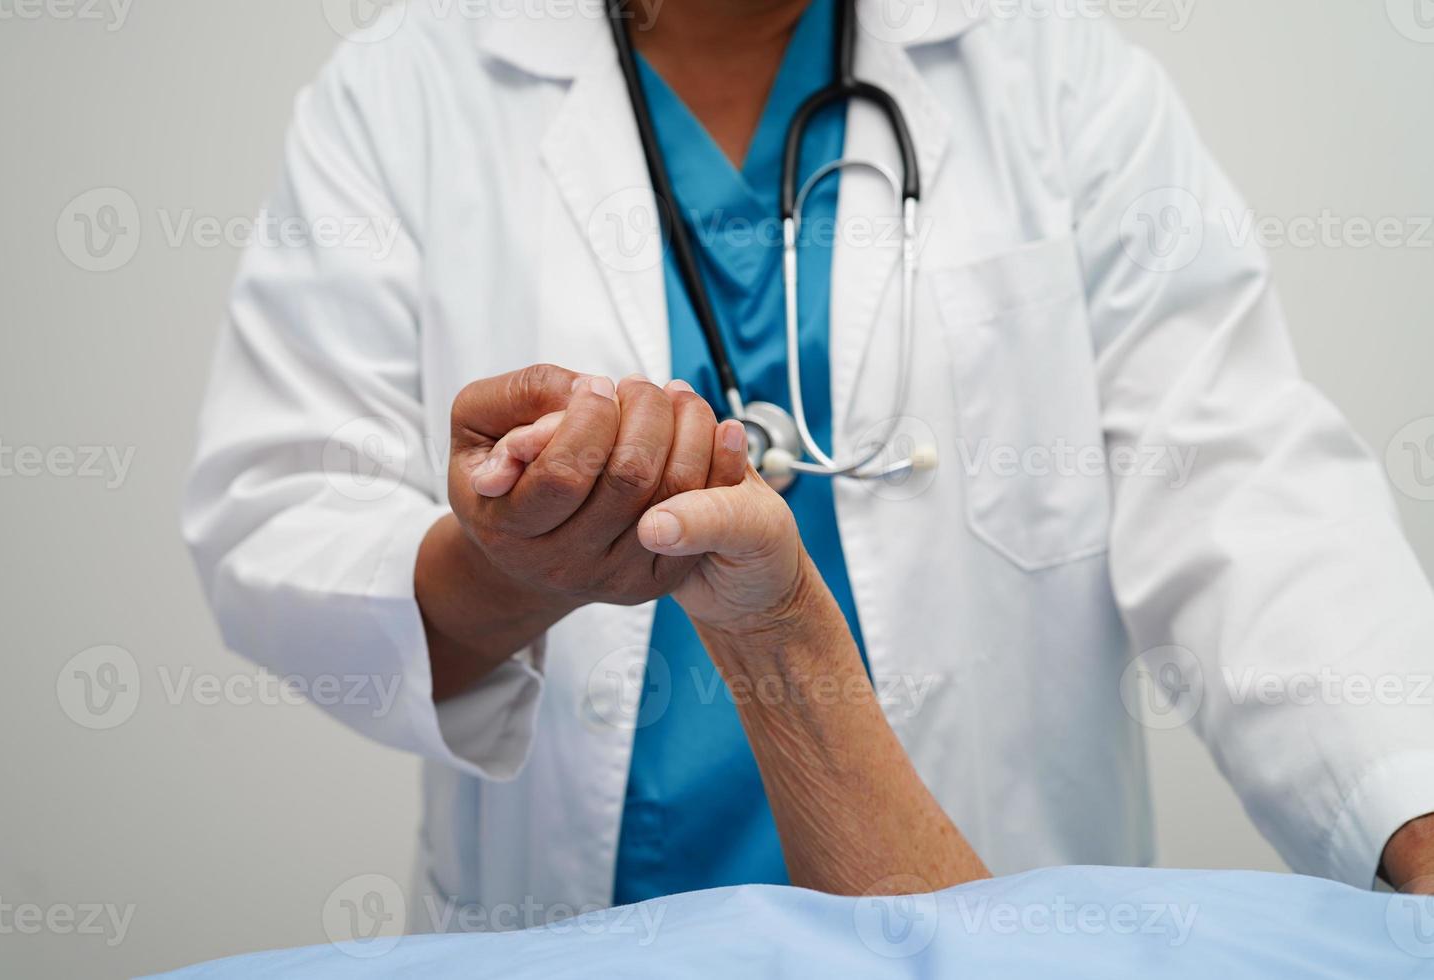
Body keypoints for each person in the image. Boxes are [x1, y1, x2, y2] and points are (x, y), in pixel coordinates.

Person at [182, 0, 1434, 926]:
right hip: (577, 923)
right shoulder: (403, 94)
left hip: (978, 899)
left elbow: (1242, 479)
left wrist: (1415, 806)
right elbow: (278, 517)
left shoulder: (1058, 77)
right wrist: (510, 572)